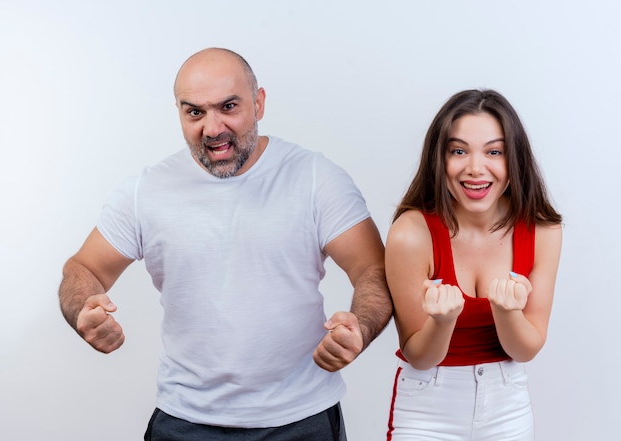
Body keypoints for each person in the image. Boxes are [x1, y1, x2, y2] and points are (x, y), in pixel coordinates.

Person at [58, 47, 392, 441]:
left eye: (228, 106)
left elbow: (373, 269)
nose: (213, 128)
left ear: (259, 102)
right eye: (195, 112)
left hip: (302, 419)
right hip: (184, 420)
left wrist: (361, 328)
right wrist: (84, 310)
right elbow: (84, 269)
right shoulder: (145, 190)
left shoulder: (316, 178)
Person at [384, 89, 562, 440]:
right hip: (427, 409)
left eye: (494, 151)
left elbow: (527, 349)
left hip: (507, 406)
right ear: (441, 158)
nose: (476, 168)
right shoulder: (410, 234)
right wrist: (442, 321)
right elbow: (418, 355)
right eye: (459, 151)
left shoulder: (542, 230)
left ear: (515, 159)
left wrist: (507, 312)